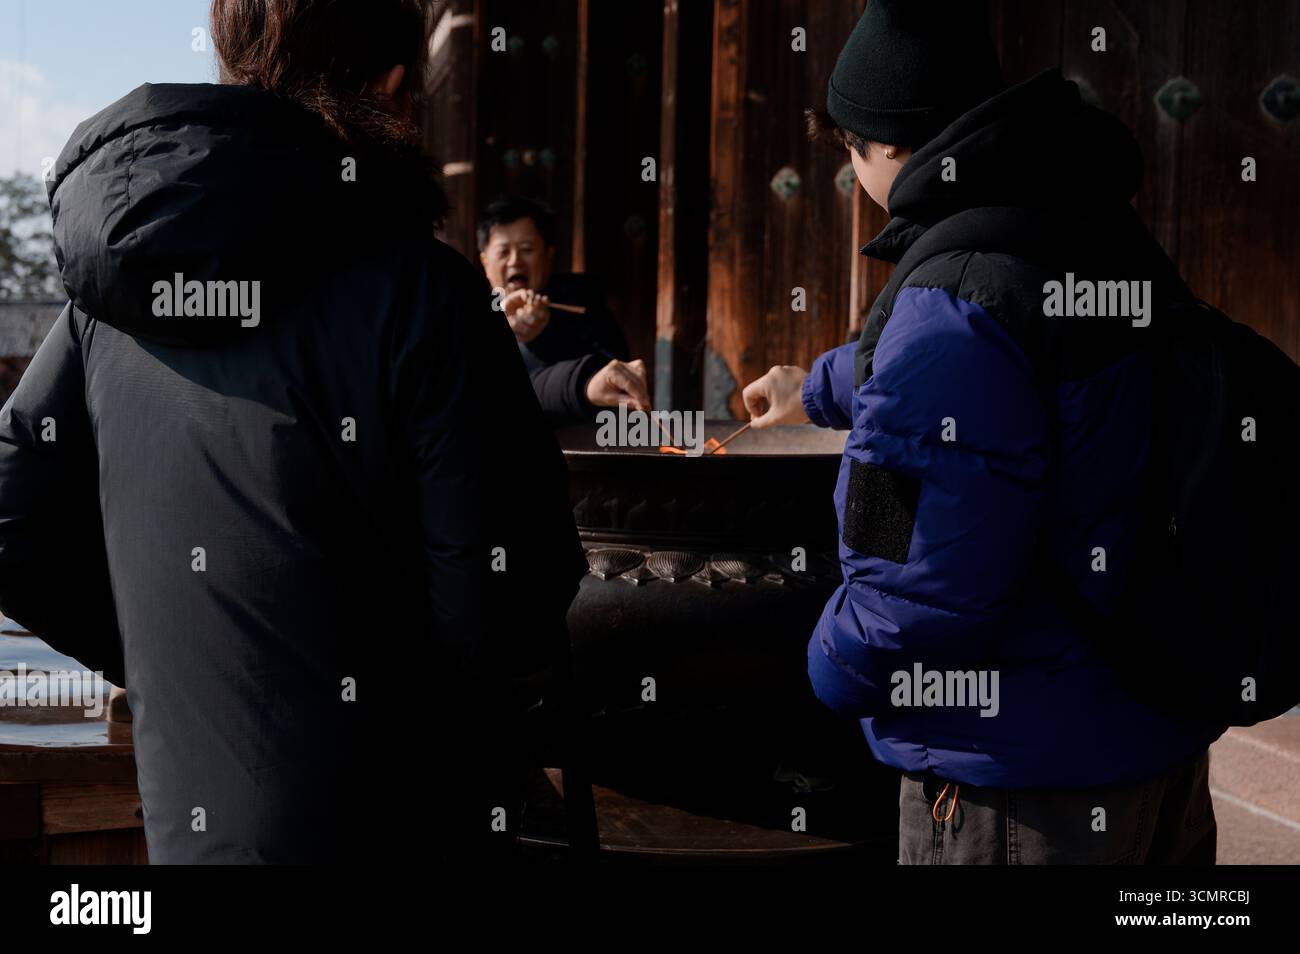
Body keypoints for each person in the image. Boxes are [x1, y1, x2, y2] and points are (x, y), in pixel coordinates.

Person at [0, 0, 585, 863]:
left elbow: (10, 525)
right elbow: (504, 607)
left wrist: (184, 667)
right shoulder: (424, 294)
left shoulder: (111, 304)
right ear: (391, 89)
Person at [743, 0, 1225, 864]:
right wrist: (814, 385)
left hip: (1018, 784)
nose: (854, 176)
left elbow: (913, 594)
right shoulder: (1086, 227)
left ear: (887, 145)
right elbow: (1011, 363)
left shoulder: (950, 300)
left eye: (850, 151)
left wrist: (819, 663)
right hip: (1153, 730)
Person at [477, 197, 649, 424]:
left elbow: (615, 375)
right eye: (503, 252)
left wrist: (544, 338)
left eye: (526, 249)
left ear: (549, 254)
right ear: (485, 261)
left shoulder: (580, 300)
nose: (515, 261)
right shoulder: (467, 315)